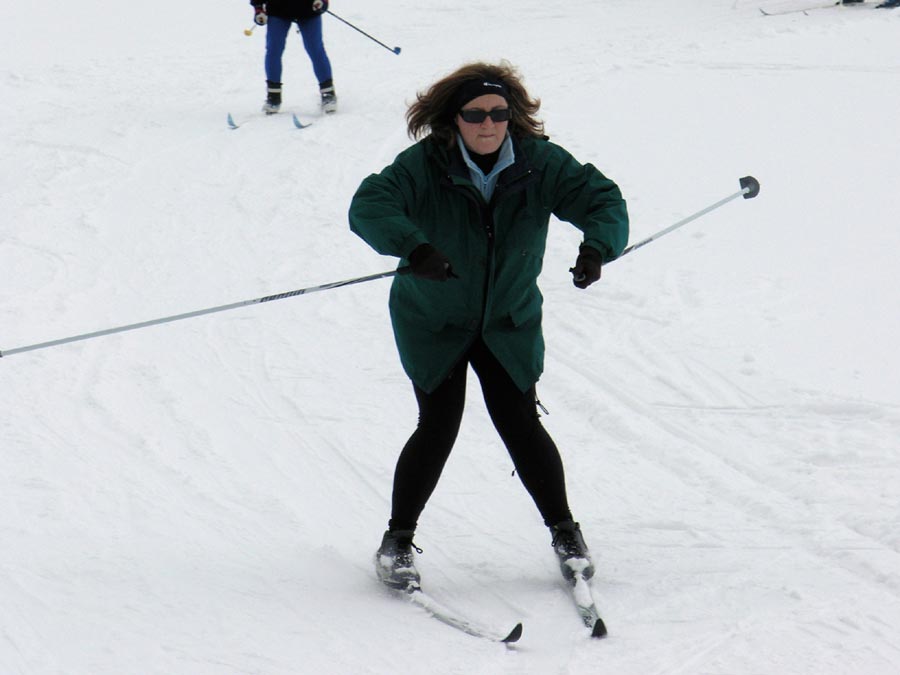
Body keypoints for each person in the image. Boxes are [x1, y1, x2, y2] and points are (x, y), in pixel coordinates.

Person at [348, 61, 629, 590]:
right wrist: (416, 246)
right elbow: (371, 204)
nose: (488, 124)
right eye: (475, 114)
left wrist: (596, 247)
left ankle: (566, 533)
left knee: (520, 423)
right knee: (438, 425)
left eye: (499, 113)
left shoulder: (538, 163)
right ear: (454, 119)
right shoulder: (423, 166)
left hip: (508, 319)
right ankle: (397, 542)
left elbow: (601, 198)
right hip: (435, 318)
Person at [249, 1, 337, 114]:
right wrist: (258, 9)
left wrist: (322, 2)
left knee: (315, 49)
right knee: (273, 50)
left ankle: (328, 93)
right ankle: (273, 97)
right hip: (278, 11)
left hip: (308, 11)